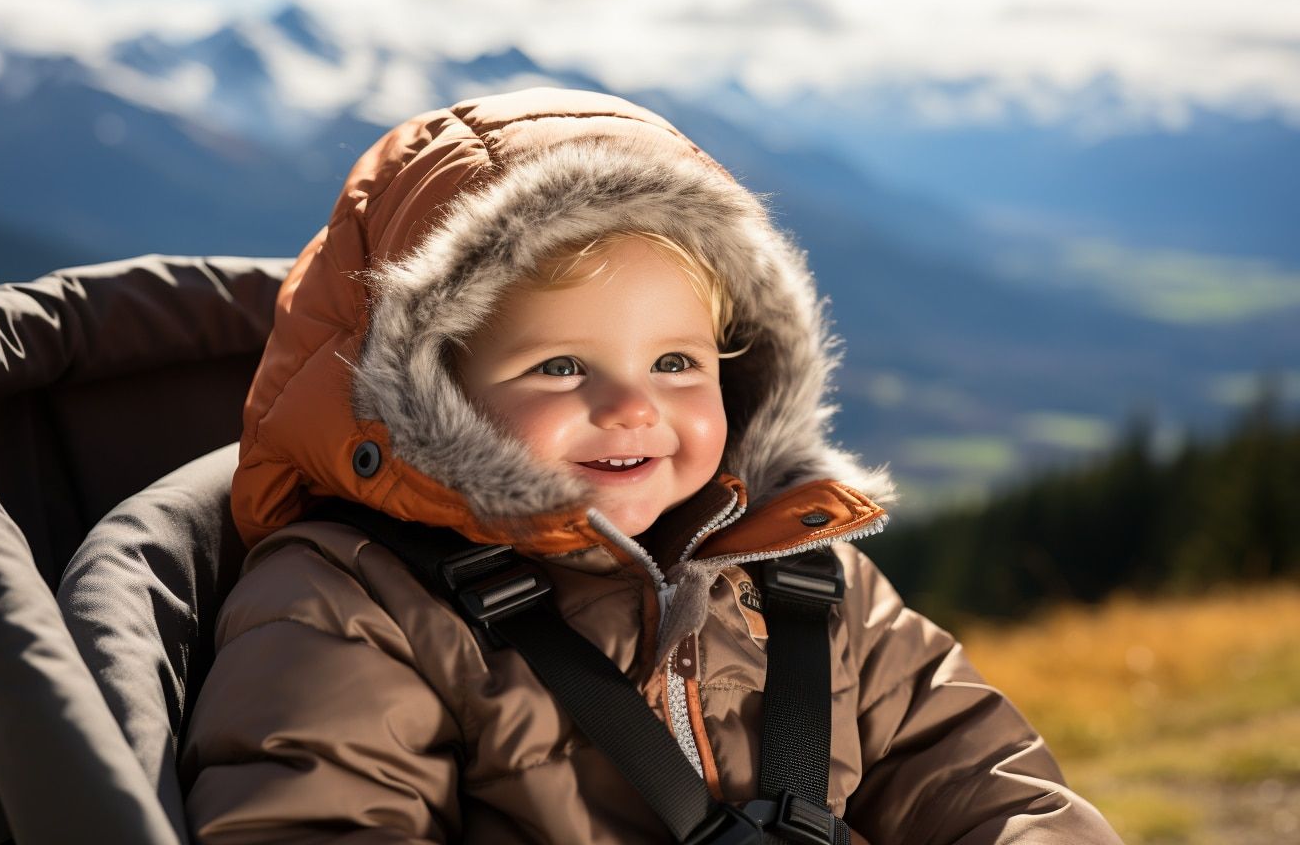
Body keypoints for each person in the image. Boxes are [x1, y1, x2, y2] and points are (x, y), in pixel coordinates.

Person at [180, 88, 1122, 843]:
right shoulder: (353, 606)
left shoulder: (805, 580)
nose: (634, 408)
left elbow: (972, 767)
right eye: (559, 367)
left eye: (677, 363)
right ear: (431, 394)